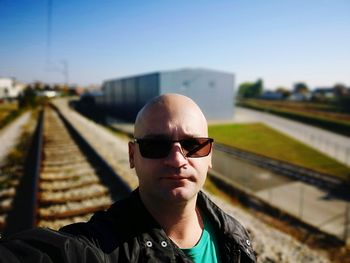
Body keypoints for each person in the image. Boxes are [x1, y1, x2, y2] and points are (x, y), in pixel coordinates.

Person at [0, 93, 256, 262]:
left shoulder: (233, 234)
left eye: (193, 145)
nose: (178, 160)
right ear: (132, 155)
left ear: (209, 155)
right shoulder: (104, 247)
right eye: (156, 146)